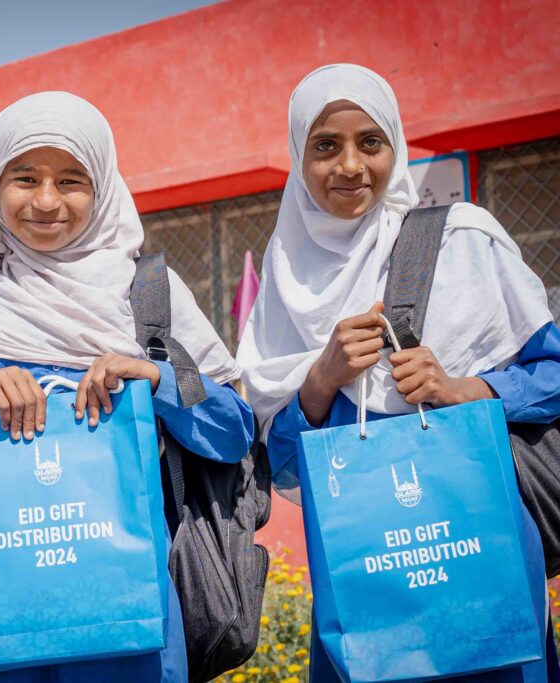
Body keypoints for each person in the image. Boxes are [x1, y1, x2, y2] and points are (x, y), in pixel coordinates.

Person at [0, 91, 253, 682]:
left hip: (128, 610)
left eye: (71, 180)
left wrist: (156, 378)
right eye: (24, 178)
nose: (46, 202)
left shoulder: (150, 293)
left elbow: (233, 433)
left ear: (103, 189)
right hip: (1, 602)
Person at [236, 63, 560, 681]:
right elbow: (276, 461)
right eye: (325, 146)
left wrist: (467, 389)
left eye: (371, 142)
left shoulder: (464, 238)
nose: (350, 166)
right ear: (298, 159)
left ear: (397, 146)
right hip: (364, 558)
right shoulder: (286, 274)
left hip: (476, 534)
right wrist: (320, 379)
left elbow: (553, 371)